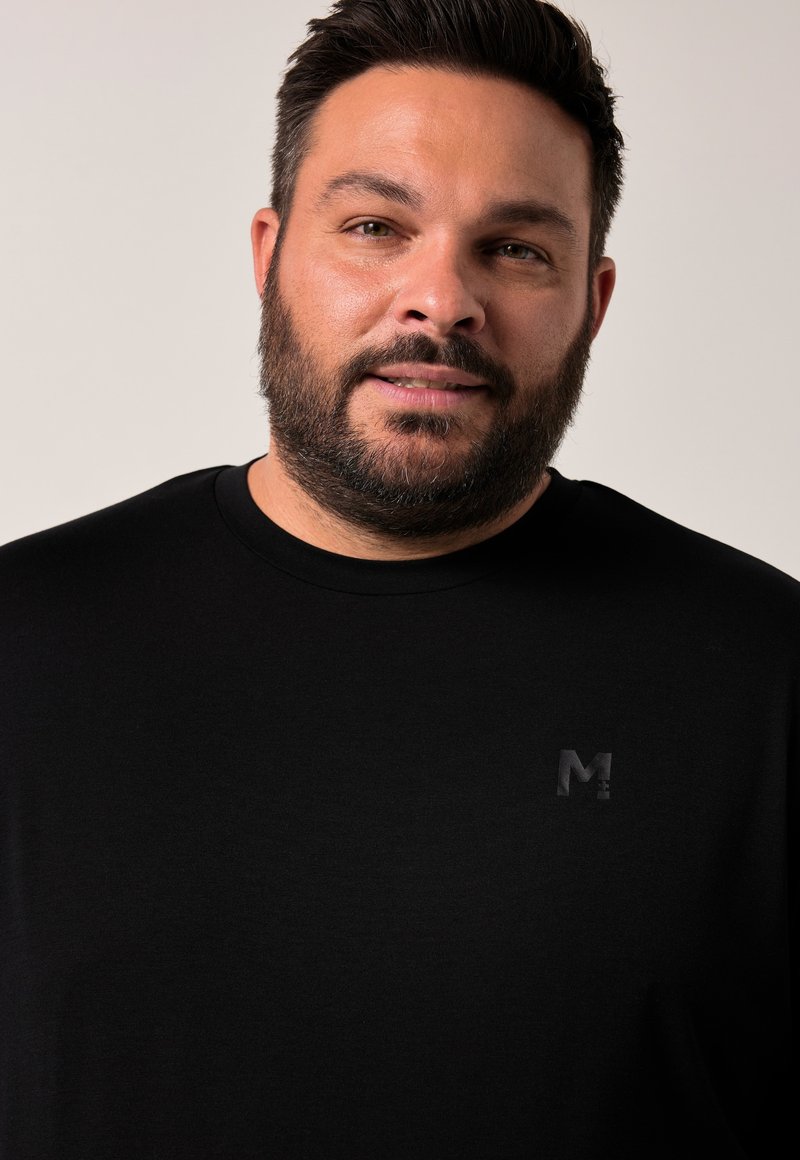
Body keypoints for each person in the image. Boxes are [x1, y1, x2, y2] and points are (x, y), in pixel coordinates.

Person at [0, 0, 795, 1156]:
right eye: (375, 225)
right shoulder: (21, 641)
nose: (441, 299)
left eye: (514, 248)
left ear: (591, 304)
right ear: (269, 255)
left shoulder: (762, 676)